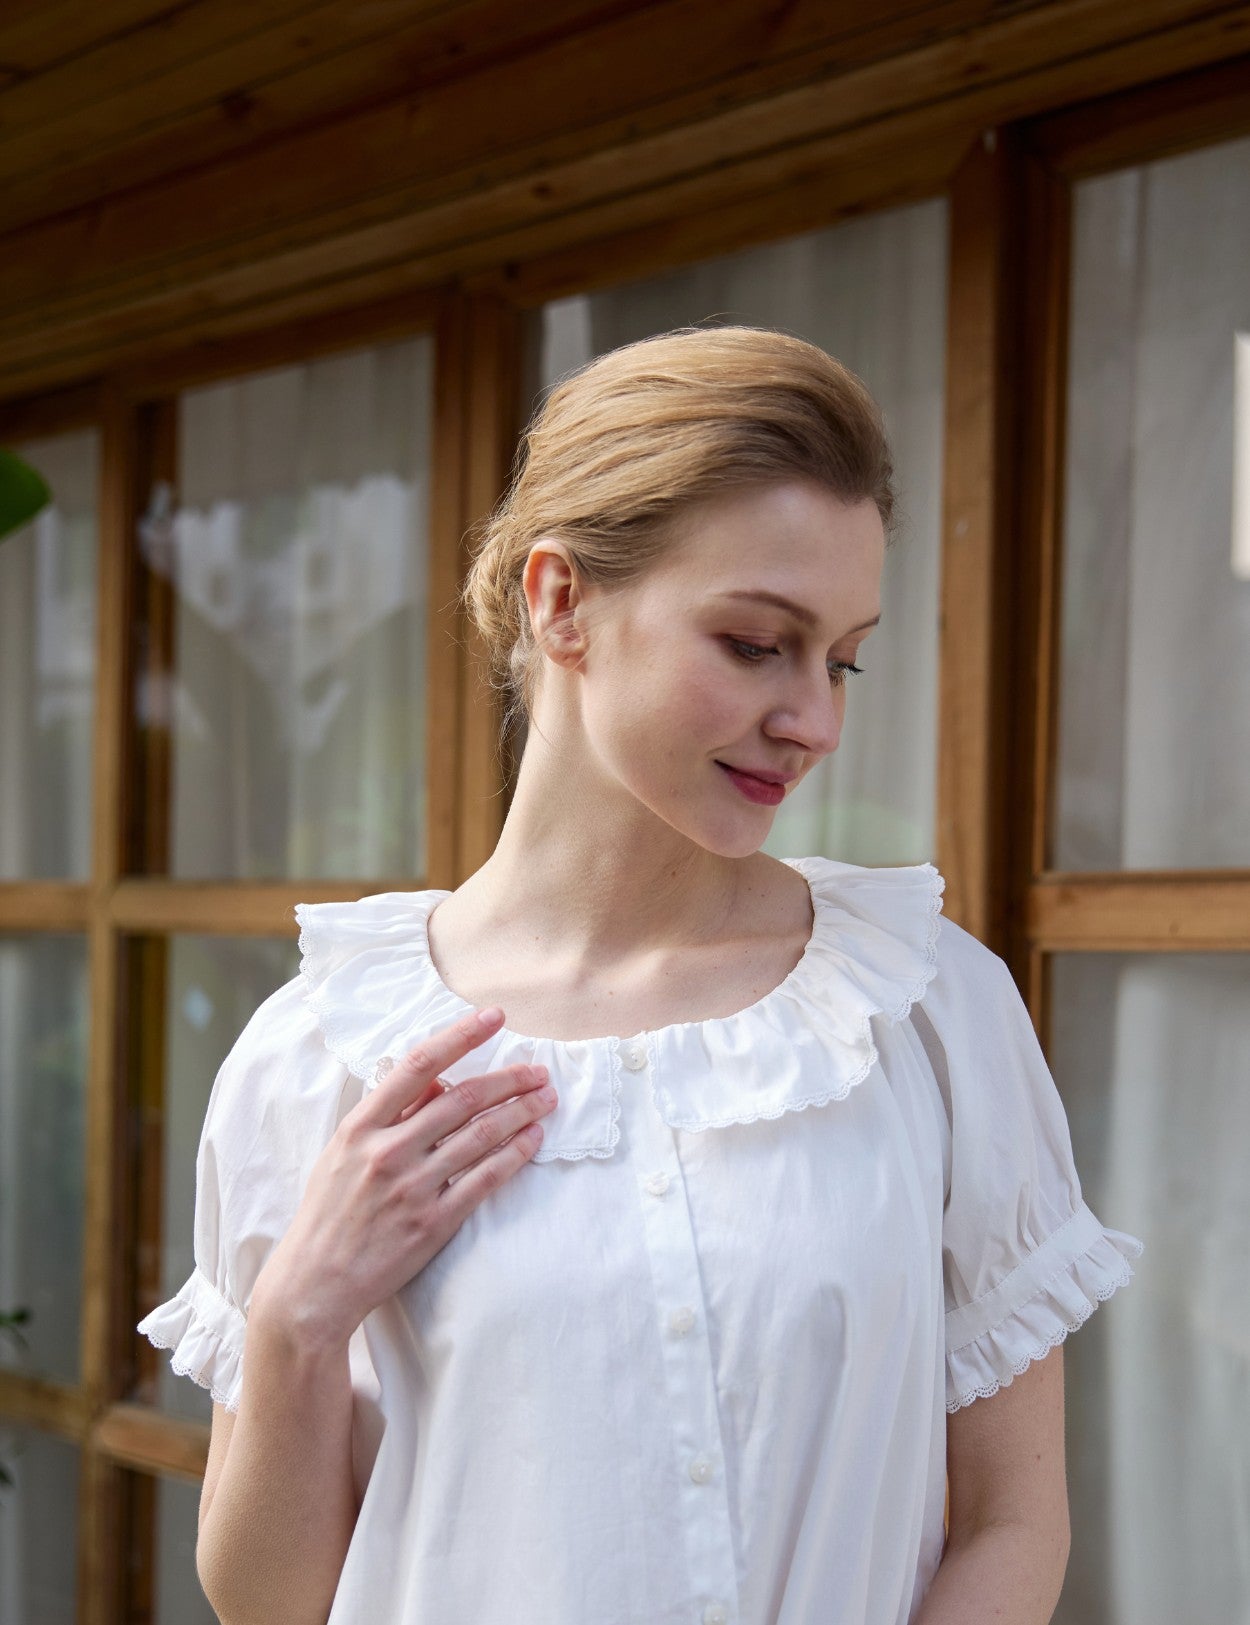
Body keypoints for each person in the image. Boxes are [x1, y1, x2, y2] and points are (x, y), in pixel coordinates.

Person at [138, 324, 1143, 1625]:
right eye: (753, 642)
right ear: (562, 603)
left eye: (839, 656)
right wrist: (291, 1327)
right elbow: (272, 1600)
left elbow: (1013, 1517)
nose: (816, 720)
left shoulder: (925, 1015)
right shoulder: (317, 1057)